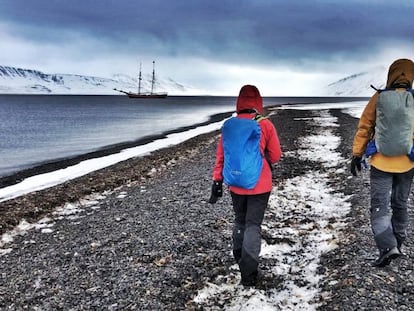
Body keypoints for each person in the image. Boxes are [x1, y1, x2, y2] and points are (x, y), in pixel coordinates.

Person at [209, 85, 282, 286]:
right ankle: (249, 274)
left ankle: (239, 257)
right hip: (260, 185)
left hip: (235, 183)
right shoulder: (265, 125)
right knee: (253, 225)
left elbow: (221, 156)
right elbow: (276, 156)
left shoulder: (229, 125)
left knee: (240, 221)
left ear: (239, 102)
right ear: (258, 102)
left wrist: (217, 180)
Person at [351, 58, 414, 267]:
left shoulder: (378, 98)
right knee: (400, 204)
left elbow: (364, 128)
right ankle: (399, 242)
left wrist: (357, 155)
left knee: (379, 206)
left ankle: (388, 248)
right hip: (407, 163)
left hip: (381, 163)